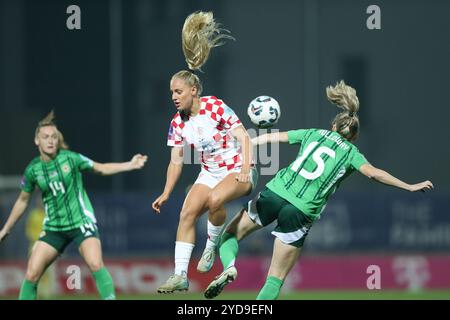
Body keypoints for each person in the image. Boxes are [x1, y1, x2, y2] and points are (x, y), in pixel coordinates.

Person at [204, 80, 434, 300]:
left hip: (276, 193)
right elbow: (374, 174)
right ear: (354, 137)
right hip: (301, 210)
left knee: (230, 235)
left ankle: (230, 268)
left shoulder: (313, 133)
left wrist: (245, 142)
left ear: (333, 126)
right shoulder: (352, 153)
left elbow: (275, 137)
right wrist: (409, 186)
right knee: (275, 279)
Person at [152, 11, 257, 294]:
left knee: (214, 199)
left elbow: (244, 138)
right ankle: (179, 276)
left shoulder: (215, 107)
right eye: (171, 92)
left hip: (239, 170)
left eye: (178, 91)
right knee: (187, 212)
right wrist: (166, 191)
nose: (173, 96)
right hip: (210, 173)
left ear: (194, 90)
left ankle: (211, 246)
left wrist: (247, 167)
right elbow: (175, 161)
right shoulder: (177, 123)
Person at [0, 111, 148, 300]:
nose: (50, 141)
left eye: (54, 136)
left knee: (95, 264)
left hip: (81, 222)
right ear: (37, 141)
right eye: (45, 137)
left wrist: (130, 165)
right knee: (31, 274)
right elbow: (22, 201)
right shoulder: (33, 170)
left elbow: (100, 168)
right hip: (54, 227)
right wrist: (6, 229)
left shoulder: (71, 159)